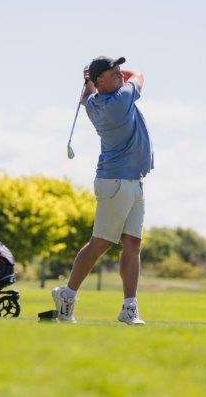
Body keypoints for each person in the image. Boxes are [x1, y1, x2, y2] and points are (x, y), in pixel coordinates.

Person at [52, 56, 153, 325]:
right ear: (100, 80)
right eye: (113, 71)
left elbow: (88, 95)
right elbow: (139, 75)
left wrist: (89, 81)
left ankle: (129, 307)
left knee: (132, 244)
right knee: (101, 242)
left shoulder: (93, 102)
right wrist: (92, 78)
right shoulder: (120, 100)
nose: (119, 73)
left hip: (132, 180)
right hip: (116, 182)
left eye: (119, 69)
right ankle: (67, 295)